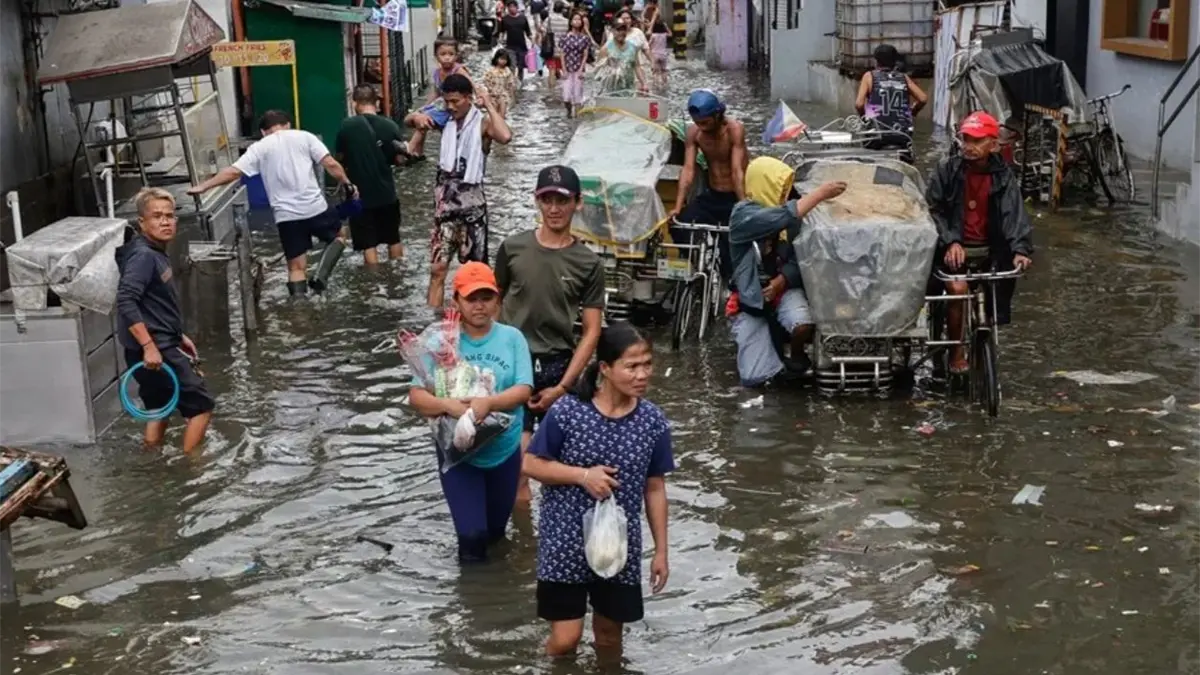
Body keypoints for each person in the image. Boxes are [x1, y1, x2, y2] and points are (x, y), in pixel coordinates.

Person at [522, 322, 673, 657]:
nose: (642, 374)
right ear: (605, 368)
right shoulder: (568, 412)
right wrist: (582, 476)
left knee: (608, 639)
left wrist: (661, 551)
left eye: (647, 364)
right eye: (631, 366)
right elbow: (530, 464)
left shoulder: (653, 422)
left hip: (619, 544)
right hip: (565, 541)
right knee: (565, 640)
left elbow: (655, 488)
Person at [407, 262, 534, 563]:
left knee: (495, 535)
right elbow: (416, 396)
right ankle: (472, 604)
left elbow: (524, 390)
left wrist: (489, 403)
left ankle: (494, 599)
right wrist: (447, 405)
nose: (479, 305)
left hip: (503, 451)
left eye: (486, 297)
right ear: (456, 302)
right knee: (471, 541)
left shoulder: (512, 338)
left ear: (497, 300)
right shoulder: (440, 341)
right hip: (458, 454)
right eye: (471, 298)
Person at [495, 165, 605, 508]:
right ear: (537, 203)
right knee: (518, 468)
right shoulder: (512, 249)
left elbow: (591, 332)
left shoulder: (588, 263)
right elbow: (491, 306)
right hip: (515, 364)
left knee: (569, 466)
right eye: (547, 200)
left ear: (577, 203)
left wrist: (562, 387)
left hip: (560, 366)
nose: (554, 209)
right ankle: (524, 549)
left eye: (562, 200)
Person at [187, 110, 355, 297]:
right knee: (340, 234)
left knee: (296, 268)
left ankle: (299, 312)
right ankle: (320, 276)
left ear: (263, 131)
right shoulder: (305, 137)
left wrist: (204, 186)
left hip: (286, 217)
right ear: (288, 125)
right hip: (315, 207)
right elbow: (331, 164)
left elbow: (234, 172)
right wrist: (348, 183)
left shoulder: (259, 147)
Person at [926, 111, 1033, 373]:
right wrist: (951, 241)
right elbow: (933, 208)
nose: (969, 147)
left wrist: (1020, 248)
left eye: (976, 141)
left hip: (991, 249)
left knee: (995, 288)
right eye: (966, 140)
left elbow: (1014, 212)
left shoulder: (1004, 176)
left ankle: (984, 333)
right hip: (953, 248)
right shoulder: (946, 169)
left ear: (993, 145)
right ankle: (955, 352)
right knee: (957, 290)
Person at [726, 157, 846, 386]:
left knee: (802, 323)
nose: (785, 195)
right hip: (752, 300)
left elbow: (801, 255)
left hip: (784, 289)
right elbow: (780, 217)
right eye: (780, 189)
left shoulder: (794, 216)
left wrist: (783, 280)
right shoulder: (743, 215)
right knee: (754, 378)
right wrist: (820, 193)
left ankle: (797, 354)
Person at [115, 188, 215, 453]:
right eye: (157, 216)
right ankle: (192, 467)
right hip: (156, 349)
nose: (165, 221)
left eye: (170, 216)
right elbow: (126, 300)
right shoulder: (144, 256)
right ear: (142, 222)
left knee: (159, 407)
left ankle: (151, 460)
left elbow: (153, 304)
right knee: (201, 407)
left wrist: (178, 336)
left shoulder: (151, 251)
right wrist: (150, 346)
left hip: (156, 345)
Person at [406, 74, 514, 309]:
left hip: (473, 211)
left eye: (456, 101)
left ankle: (473, 324)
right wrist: (418, 116)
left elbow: (505, 136)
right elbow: (408, 120)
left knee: (476, 274)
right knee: (437, 269)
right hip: (444, 210)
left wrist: (490, 106)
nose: (451, 106)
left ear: (469, 98)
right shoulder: (445, 119)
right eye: (447, 101)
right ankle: (434, 322)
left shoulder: (483, 123)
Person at [671, 89, 747, 281]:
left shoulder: (734, 129)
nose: (702, 127)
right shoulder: (694, 133)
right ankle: (699, 267)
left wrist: (744, 205)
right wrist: (678, 206)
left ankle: (731, 287)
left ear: (717, 115)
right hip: (712, 195)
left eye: (705, 123)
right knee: (678, 225)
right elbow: (688, 170)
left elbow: (738, 171)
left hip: (734, 198)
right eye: (698, 123)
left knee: (730, 256)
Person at [335, 84, 406, 265]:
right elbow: (399, 160)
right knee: (393, 238)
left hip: (361, 194)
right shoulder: (390, 125)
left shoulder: (347, 126)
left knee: (368, 242)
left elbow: (340, 158)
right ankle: (396, 272)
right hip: (387, 192)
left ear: (354, 103)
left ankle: (373, 282)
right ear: (376, 102)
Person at [407, 38, 472, 160]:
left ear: (456, 56)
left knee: (424, 124)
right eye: (443, 54)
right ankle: (418, 152)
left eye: (451, 54)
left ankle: (410, 149)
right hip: (442, 106)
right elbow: (435, 92)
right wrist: (425, 106)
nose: (447, 57)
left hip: (452, 108)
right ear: (436, 56)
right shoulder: (437, 73)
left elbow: (471, 85)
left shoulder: (458, 70)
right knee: (421, 121)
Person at [855, 44, 927, 151]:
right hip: (901, 135)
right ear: (895, 61)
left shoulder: (869, 76)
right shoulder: (904, 77)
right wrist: (913, 112)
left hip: (877, 136)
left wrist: (865, 119)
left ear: (877, 61)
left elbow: (859, 104)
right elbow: (923, 99)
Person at [558, 11, 593, 117]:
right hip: (567, 69)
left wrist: (581, 69)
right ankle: (569, 111)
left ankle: (577, 118)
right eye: (575, 19)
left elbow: (585, 55)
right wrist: (563, 69)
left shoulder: (585, 38)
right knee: (566, 96)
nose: (577, 21)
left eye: (579, 19)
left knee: (578, 95)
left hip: (578, 68)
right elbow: (562, 54)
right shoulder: (565, 37)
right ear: (570, 22)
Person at [598, 19, 645, 93]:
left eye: (623, 30)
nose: (621, 32)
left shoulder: (633, 47)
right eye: (618, 30)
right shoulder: (605, 49)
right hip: (610, 91)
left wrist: (643, 83)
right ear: (612, 31)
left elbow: (637, 66)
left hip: (629, 89)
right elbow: (599, 72)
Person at [501, 0, 534, 81]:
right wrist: (501, 42)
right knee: (512, 66)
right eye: (510, 7)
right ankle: (511, 83)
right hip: (510, 46)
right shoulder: (505, 19)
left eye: (513, 7)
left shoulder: (523, 18)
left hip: (522, 46)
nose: (512, 9)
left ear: (517, 8)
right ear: (507, 8)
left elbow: (528, 31)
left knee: (521, 67)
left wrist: (532, 41)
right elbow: (502, 32)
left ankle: (520, 83)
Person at [642, 0, 670, 88]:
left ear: (654, 3)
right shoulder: (664, 35)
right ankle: (665, 84)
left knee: (655, 71)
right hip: (663, 54)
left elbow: (651, 24)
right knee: (664, 70)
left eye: (650, 3)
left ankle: (655, 85)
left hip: (655, 54)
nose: (648, 5)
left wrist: (648, 28)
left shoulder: (656, 11)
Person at [543, 1, 572, 87]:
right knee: (565, 70)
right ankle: (567, 90)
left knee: (552, 70)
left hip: (550, 50)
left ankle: (551, 92)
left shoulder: (549, 20)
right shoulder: (566, 21)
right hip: (563, 50)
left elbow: (542, 31)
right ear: (562, 10)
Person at [483, 49, 518, 117]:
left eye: (505, 59)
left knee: (502, 114)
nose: (503, 61)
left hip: (503, 95)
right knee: (493, 114)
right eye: (501, 58)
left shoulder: (507, 71)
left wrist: (512, 96)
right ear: (496, 59)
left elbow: (510, 84)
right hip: (493, 95)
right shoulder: (491, 71)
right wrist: (490, 90)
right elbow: (486, 81)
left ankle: (501, 124)